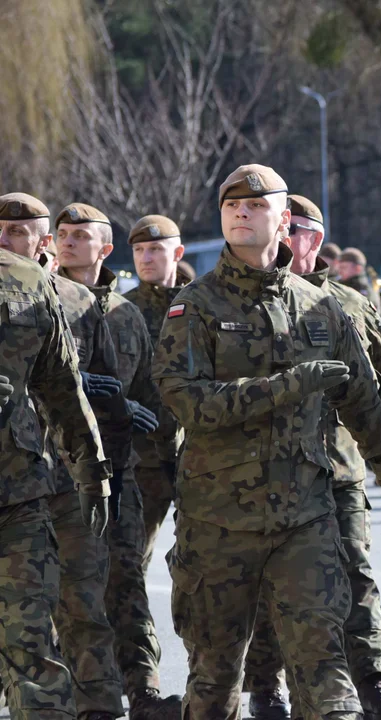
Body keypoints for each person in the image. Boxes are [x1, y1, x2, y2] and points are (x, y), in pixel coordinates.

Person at [152, 164, 381, 718]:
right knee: (215, 677)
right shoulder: (194, 305)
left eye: (254, 204)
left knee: (324, 667)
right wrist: (287, 386)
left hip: (305, 518)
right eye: (230, 206)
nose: (241, 212)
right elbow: (189, 404)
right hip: (217, 522)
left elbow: (363, 394)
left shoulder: (321, 304)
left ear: (285, 220)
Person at [241, 194, 381, 720]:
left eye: (296, 228)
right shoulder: (250, 300)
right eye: (281, 225)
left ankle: (371, 682)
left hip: (341, 469)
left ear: (315, 240)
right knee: (270, 586)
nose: (284, 236)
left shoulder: (348, 302)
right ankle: (265, 686)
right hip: (270, 472)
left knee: (356, 576)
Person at [55, 203, 180, 719]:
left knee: (126, 578)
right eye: (61, 235)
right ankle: (68, 690)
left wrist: (165, 449)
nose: (67, 243)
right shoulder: (45, 303)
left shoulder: (127, 317)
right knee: (64, 589)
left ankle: (143, 688)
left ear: (104, 249)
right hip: (56, 474)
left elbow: (155, 394)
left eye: (80, 236)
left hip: (120, 472)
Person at [0, 194, 116, 720]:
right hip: (24, 486)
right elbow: (65, 392)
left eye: (17, 231)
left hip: (22, 494)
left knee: (31, 645)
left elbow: (64, 392)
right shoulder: (35, 285)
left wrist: (94, 476)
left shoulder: (36, 288)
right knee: (30, 652)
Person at [123, 215, 189, 580]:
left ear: (177, 252)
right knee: (129, 563)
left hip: (198, 457)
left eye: (155, 249)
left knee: (205, 566)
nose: (145, 258)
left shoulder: (202, 304)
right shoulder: (120, 310)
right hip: (143, 458)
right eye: (138, 250)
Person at [338, 247, 381, 315]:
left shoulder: (365, 292)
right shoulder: (339, 285)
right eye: (340, 268)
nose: (340, 271)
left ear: (358, 268)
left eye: (344, 267)